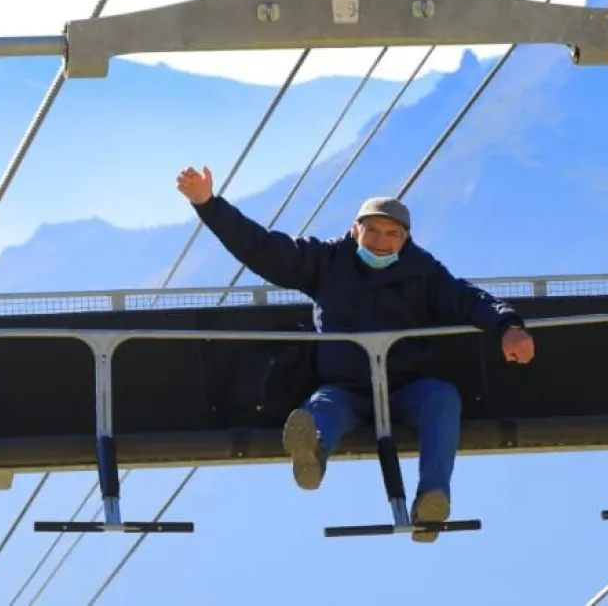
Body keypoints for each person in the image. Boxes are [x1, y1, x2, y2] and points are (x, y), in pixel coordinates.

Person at [177, 166, 535, 542]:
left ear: (405, 239)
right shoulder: (328, 262)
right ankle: (311, 452)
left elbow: (467, 299)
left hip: (405, 388)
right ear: (355, 230)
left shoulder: (423, 273)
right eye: (373, 231)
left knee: (442, 399)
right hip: (347, 388)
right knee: (323, 406)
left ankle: (433, 497)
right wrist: (208, 204)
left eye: (392, 235)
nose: (381, 242)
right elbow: (263, 248)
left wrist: (507, 326)